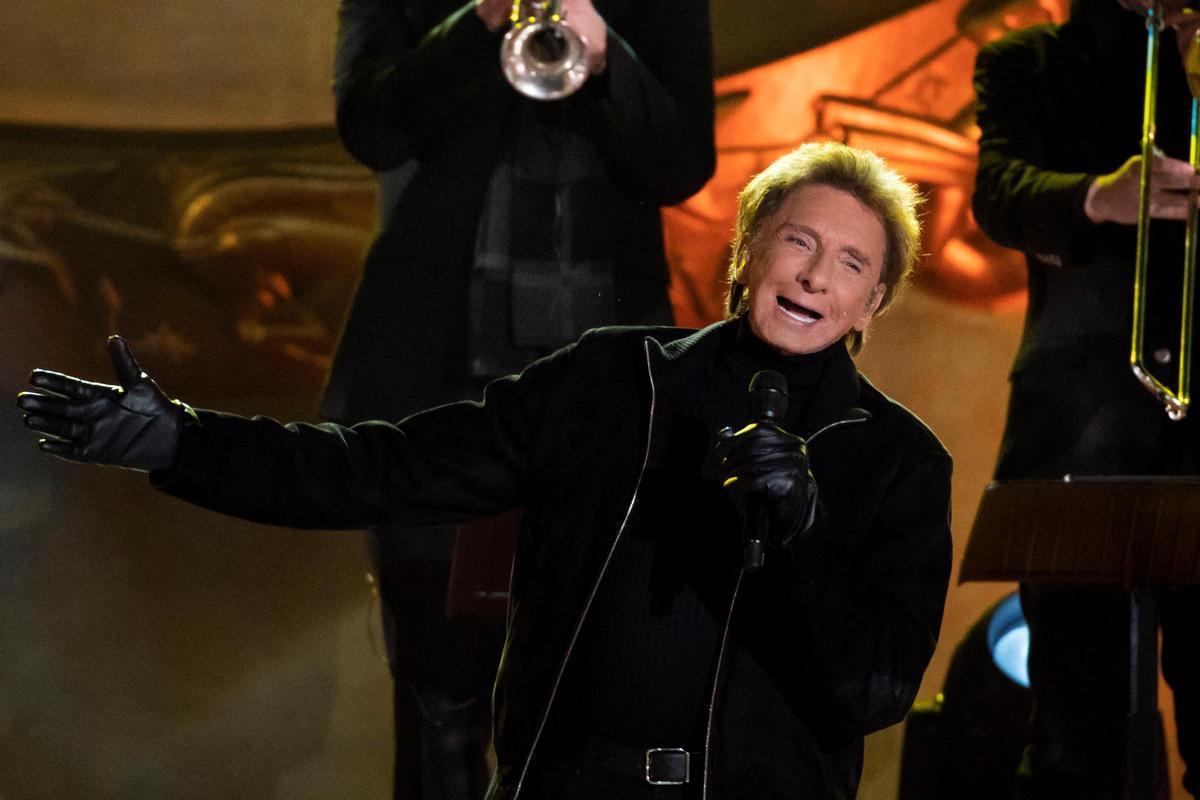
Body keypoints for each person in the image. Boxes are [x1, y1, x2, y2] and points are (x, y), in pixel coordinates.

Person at [18, 141, 950, 799]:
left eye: (852, 262)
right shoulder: (607, 381)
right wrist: (181, 441)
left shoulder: (900, 464)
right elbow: (381, 470)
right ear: (750, 249)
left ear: (873, 302)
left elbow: (873, 692)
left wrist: (803, 537)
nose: (817, 273)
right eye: (800, 240)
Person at [324, 0, 715, 795]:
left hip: (609, 378)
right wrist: (480, 24)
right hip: (434, 377)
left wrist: (608, 60)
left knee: (596, 681)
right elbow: (372, 128)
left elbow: (682, 165)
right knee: (440, 692)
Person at [971, 1, 1200, 796]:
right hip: (1077, 411)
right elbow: (997, 192)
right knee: (1076, 724)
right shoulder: (1028, 60)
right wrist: (1099, 197)